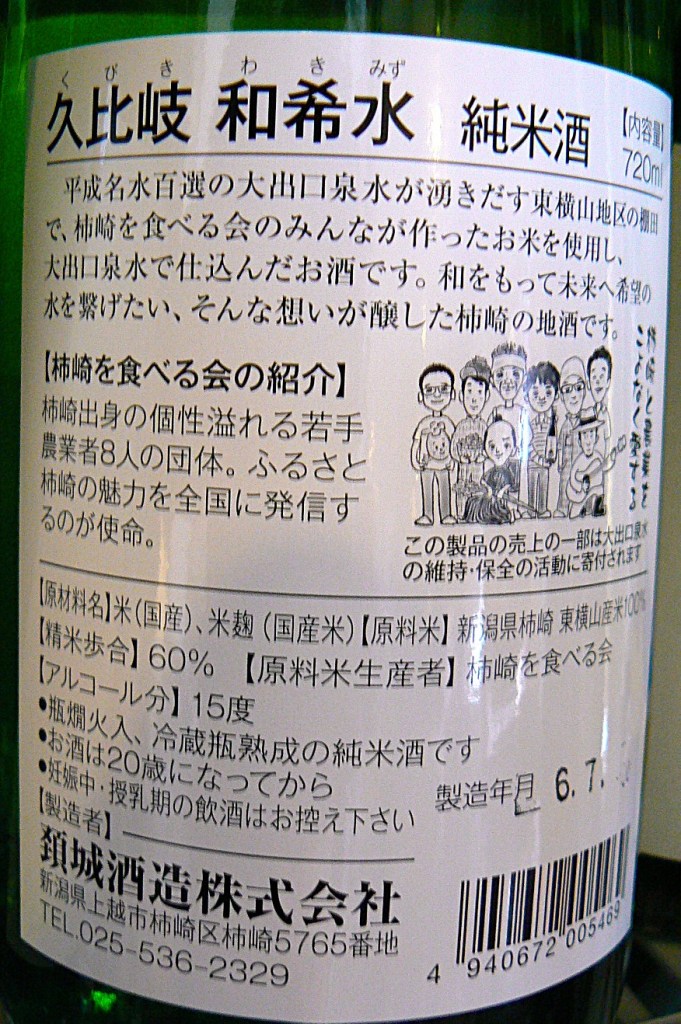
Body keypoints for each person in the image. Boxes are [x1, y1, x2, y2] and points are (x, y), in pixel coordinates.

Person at [411, 363, 457, 526]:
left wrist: (454, 461)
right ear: (421, 396)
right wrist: (414, 460)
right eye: (430, 390)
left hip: (444, 464)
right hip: (427, 464)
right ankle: (427, 515)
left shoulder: (448, 423)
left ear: (452, 394)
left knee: (445, 488)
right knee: (427, 488)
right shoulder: (424, 423)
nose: (437, 394)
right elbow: (416, 442)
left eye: (443, 389)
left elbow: (455, 444)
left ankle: (446, 514)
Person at [451, 355, 491, 518]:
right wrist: (460, 457)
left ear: (486, 397)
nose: (474, 398)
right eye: (469, 391)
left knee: (478, 493)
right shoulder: (461, 426)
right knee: (462, 493)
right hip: (463, 470)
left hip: (478, 471)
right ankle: (461, 514)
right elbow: (453, 447)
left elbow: (489, 447)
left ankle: (476, 515)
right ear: (461, 396)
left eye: (479, 392)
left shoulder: (485, 427)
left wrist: (483, 456)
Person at [463, 418, 520, 525]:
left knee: (500, 506)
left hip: (500, 498)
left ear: (514, 450)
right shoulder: (491, 471)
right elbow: (484, 481)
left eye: (506, 445)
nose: (498, 450)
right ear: (485, 451)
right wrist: (489, 489)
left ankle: (510, 514)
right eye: (492, 446)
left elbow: (510, 484)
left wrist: (501, 491)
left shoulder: (507, 472)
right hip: (491, 497)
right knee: (474, 503)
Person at [523, 361, 560, 518]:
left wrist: (550, 458)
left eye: (548, 393)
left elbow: (553, 444)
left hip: (545, 463)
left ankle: (543, 509)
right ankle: (531, 509)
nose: (542, 398)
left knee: (544, 484)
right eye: (536, 394)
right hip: (532, 462)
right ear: (527, 396)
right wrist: (539, 459)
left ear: (556, 395)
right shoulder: (529, 422)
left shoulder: (551, 423)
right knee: (532, 485)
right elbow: (527, 445)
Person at [555, 355, 587, 517]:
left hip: (581, 466)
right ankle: (562, 509)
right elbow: (560, 445)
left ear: (585, 391)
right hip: (567, 466)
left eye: (578, 388)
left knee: (580, 488)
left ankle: (581, 510)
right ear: (561, 397)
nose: (574, 395)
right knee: (564, 486)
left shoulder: (586, 422)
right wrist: (560, 462)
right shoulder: (565, 425)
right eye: (568, 390)